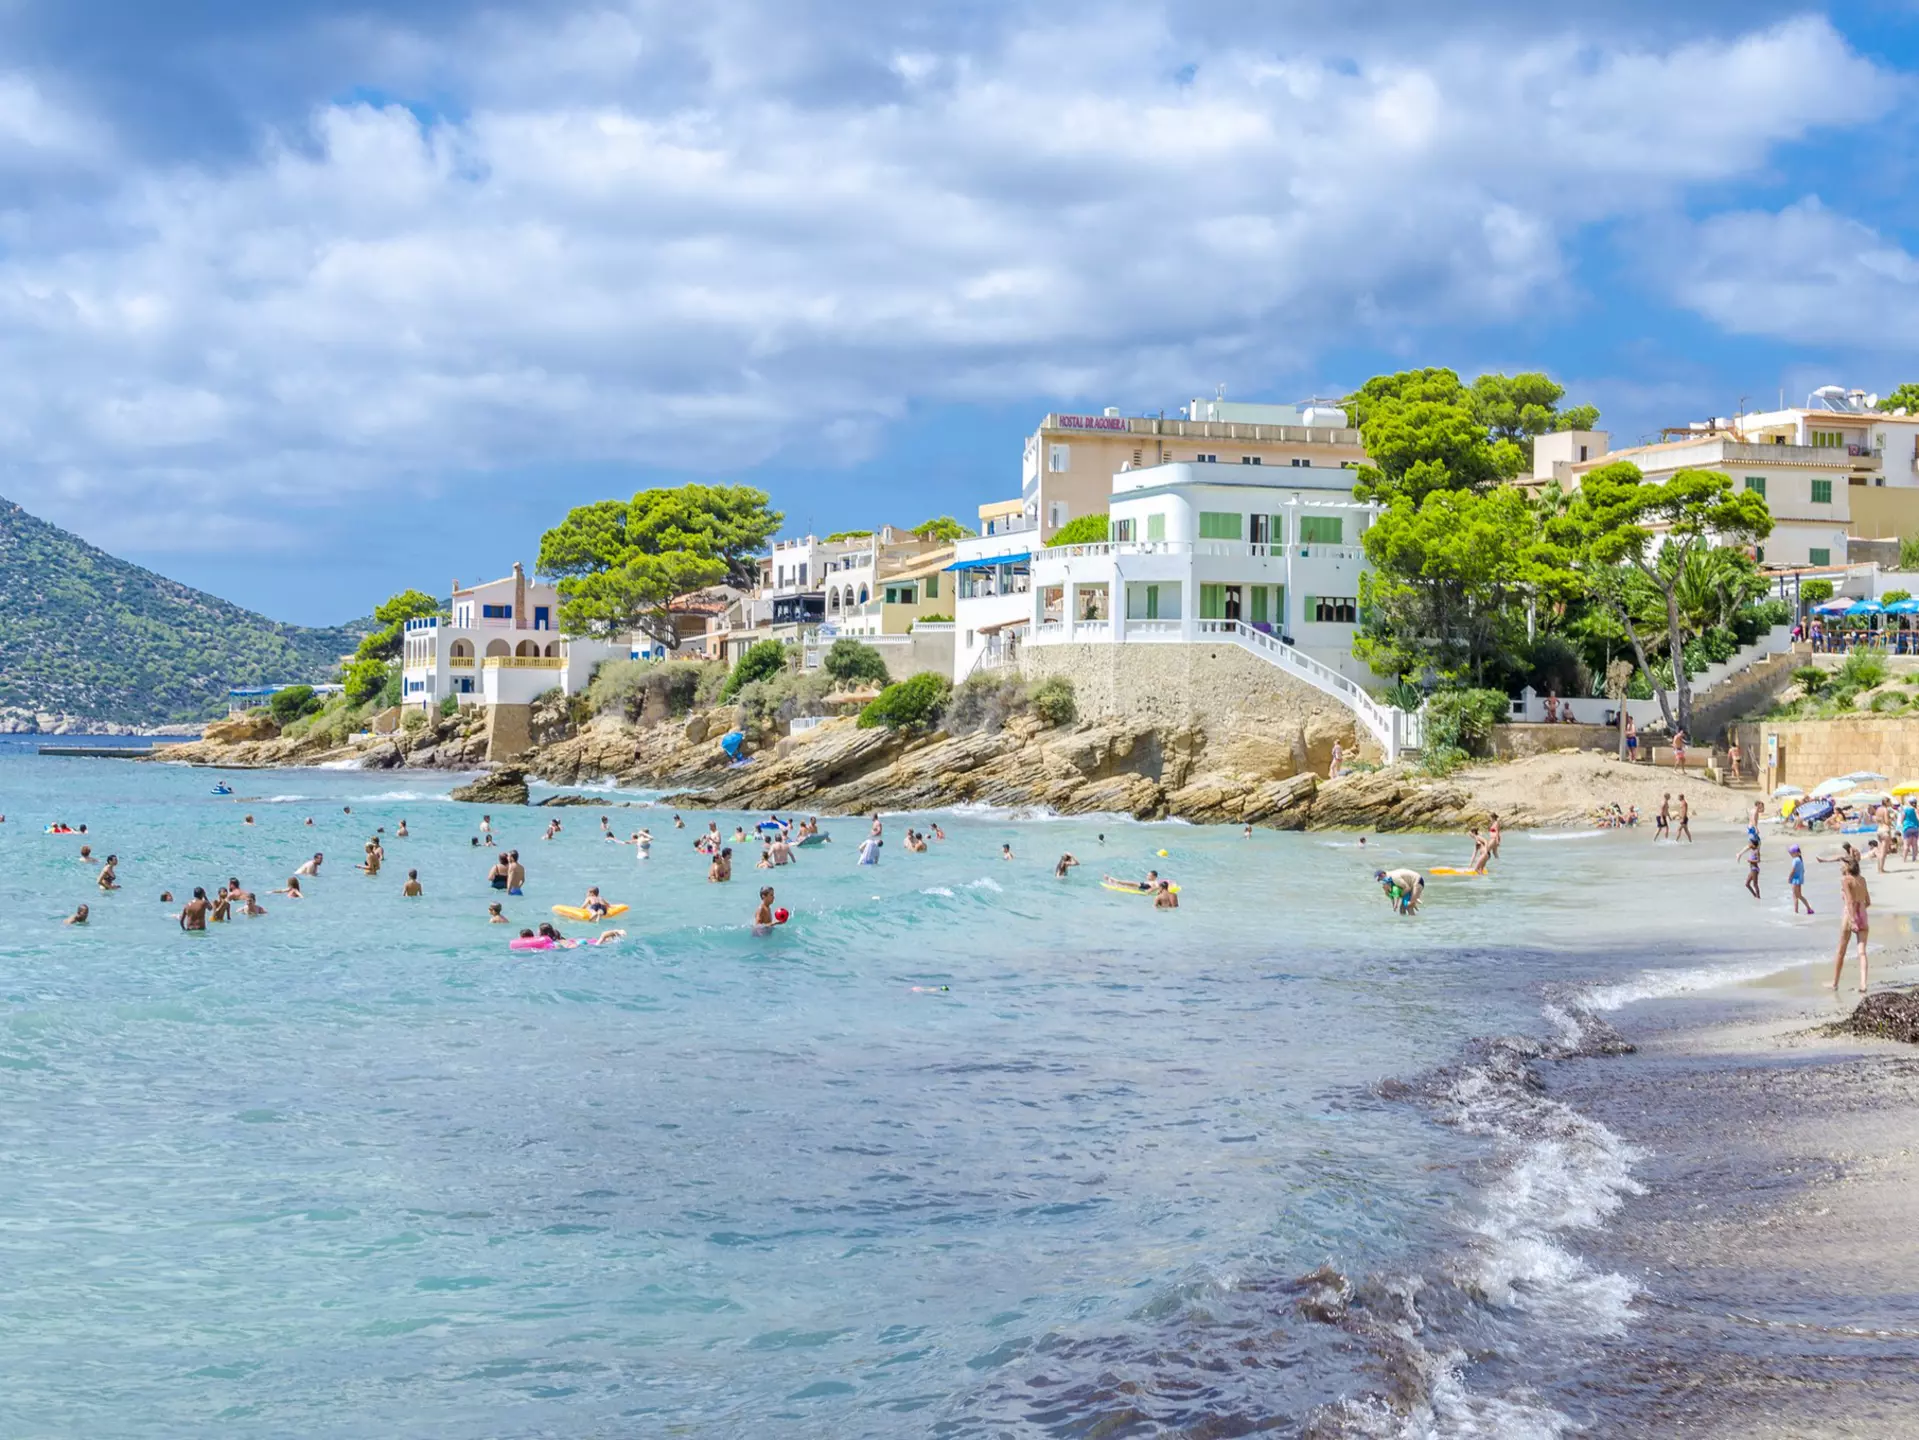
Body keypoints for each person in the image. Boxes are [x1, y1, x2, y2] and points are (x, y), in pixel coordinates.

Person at [1831, 856, 1871, 992]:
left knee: (1841, 951)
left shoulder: (1845, 880)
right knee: (1862, 952)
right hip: (1863, 914)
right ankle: (1863, 984)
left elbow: (1849, 901)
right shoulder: (1862, 879)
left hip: (1850, 915)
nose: (1841, 867)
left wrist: (1853, 919)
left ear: (1847, 866)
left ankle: (1835, 983)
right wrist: (1860, 913)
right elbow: (1868, 901)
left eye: (1842, 864)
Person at [1787, 844, 1812, 915]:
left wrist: (1789, 877)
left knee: (1795, 896)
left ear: (1795, 853)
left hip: (1795, 880)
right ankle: (1809, 908)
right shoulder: (1800, 860)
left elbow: (1793, 870)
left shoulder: (1795, 860)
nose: (1791, 855)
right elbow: (1803, 870)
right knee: (1799, 895)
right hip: (1799, 880)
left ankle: (1796, 911)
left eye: (1791, 853)